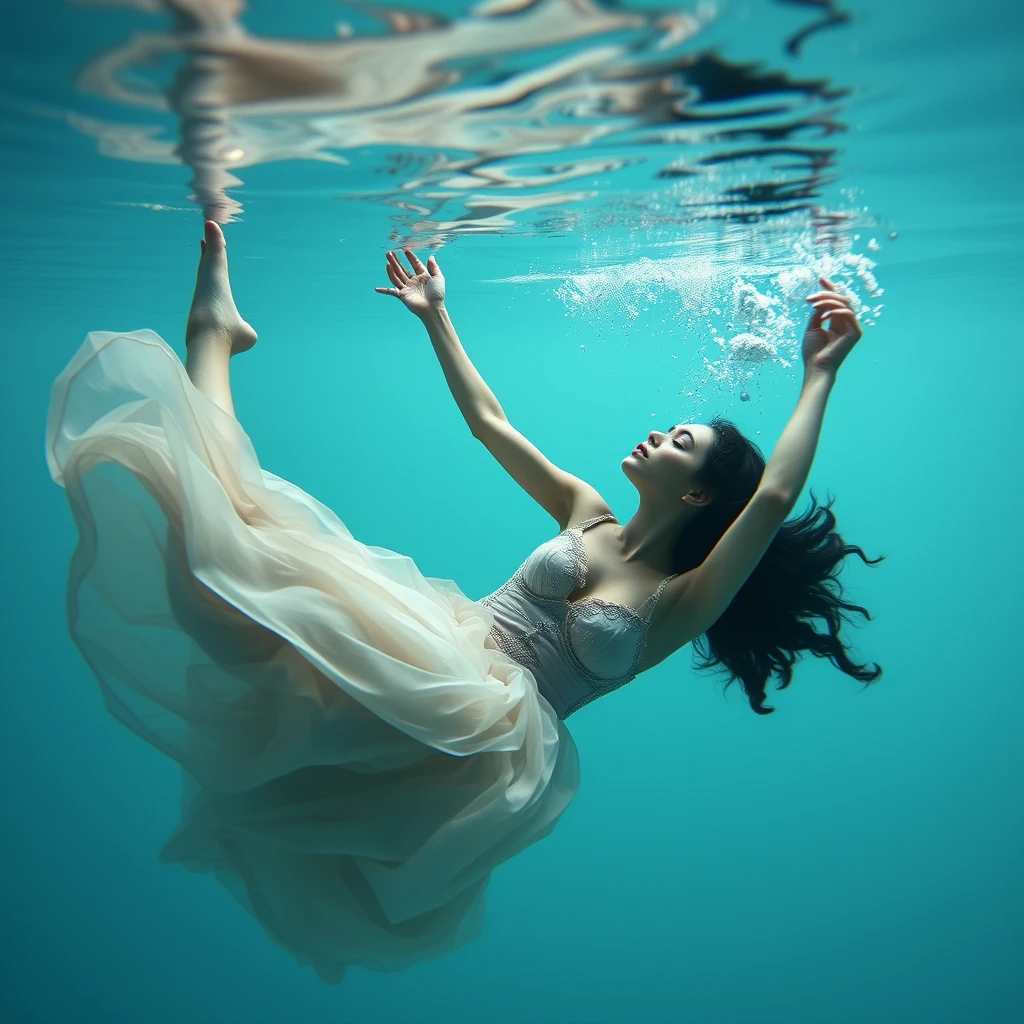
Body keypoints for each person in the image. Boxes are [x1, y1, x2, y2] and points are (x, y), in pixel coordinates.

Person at [45, 221, 881, 985]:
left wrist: (818, 374)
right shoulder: (584, 510)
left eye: (681, 443)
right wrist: (434, 316)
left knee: (225, 613)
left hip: (476, 748)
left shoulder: (680, 603)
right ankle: (214, 340)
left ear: (700, 496)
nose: (659, 434)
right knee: (223, 572)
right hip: (428, 643)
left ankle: (212, 341)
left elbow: (770, 498)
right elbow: (490, 422)